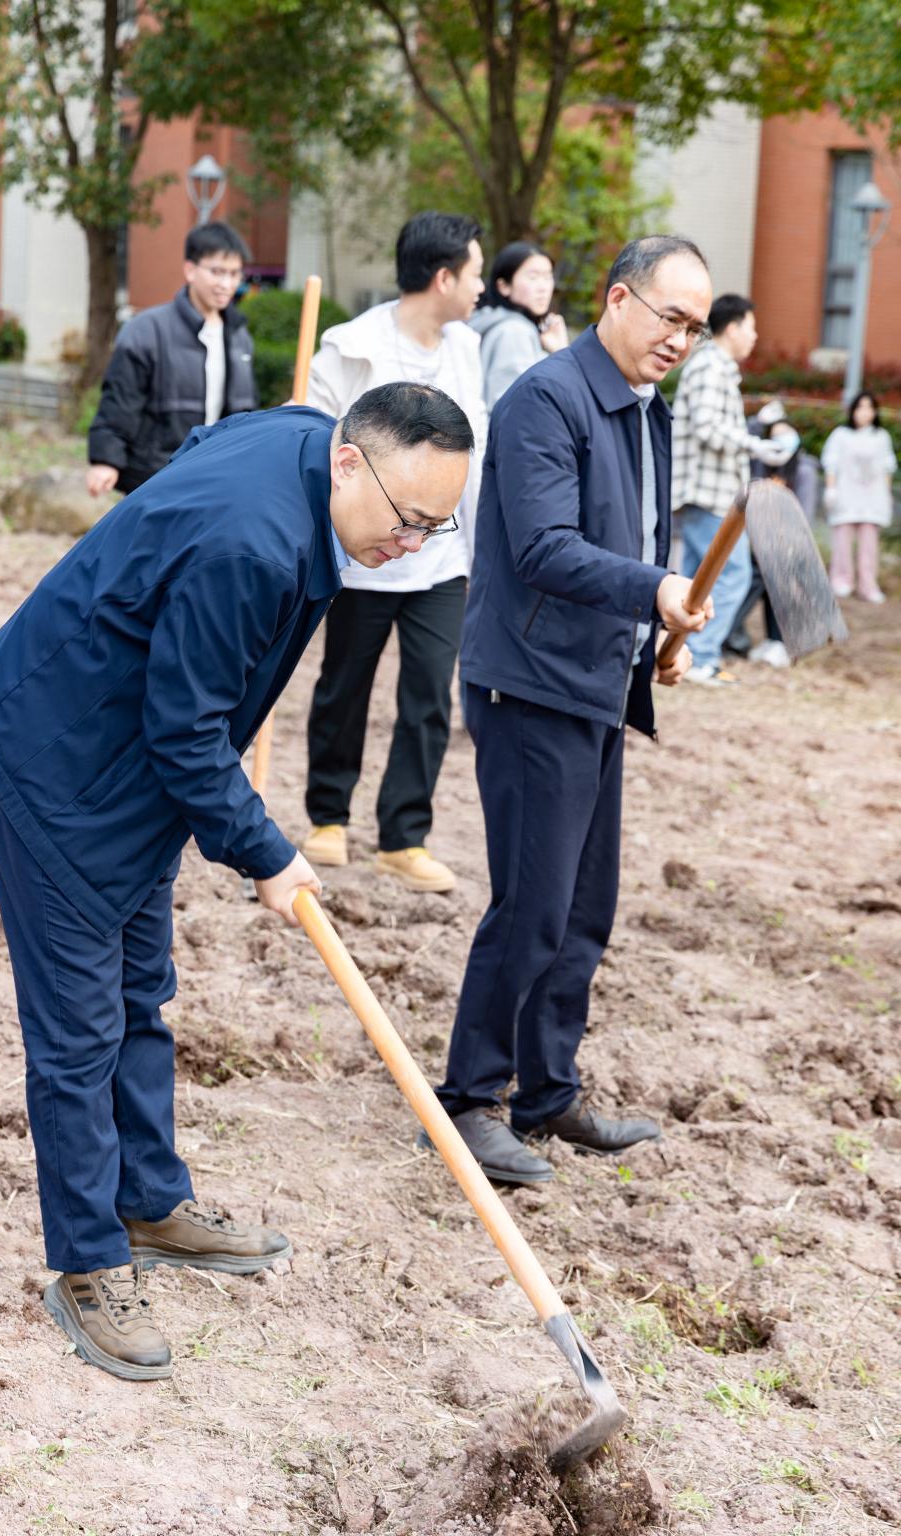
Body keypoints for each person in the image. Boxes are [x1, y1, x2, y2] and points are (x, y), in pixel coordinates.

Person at [0, 384, 474, 1380]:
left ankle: (148, 1202)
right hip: (57, 758)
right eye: (406, 519)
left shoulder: (301, 436)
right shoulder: (253, 550)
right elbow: (186, 736)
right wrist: (266, 852)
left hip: (130, 767)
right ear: (350, 462)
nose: (413, 544)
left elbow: (207, 442)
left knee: (139, 995)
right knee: (78, 1029)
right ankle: (88, 1261)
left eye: (436, 525)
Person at [424, 235, 715, 1187]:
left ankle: (547, 1092)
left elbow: (636, 542)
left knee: (585, 908)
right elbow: (544, 548)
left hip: (596, 683)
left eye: (696, 328)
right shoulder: (546, 399)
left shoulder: (646, 410)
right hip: (530, 682)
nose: (680, 340)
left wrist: (655, 630)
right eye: (670, 317)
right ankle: (469, 1099)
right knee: (533, 905)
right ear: (619, 300)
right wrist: (656, 591)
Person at [301, 211, 488, 894]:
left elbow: (476, 460)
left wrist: (478, 551)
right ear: (443, 278)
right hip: (364, 557)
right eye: (475, 273)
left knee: (429, 695)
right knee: (344, 686)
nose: (482, 287)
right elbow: (316, 442)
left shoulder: (466, 349)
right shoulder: (351, 348)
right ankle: (328, 817)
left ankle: (403, 837)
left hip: (440, 559)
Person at [671, 293, 796, 686]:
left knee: (695, 583)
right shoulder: (711, 366)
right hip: (708, 494)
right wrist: (759, 445)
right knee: (733, 575)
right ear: (733, 327)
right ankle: (701, 656)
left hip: (706, 492)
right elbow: (709, 428)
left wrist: (755, 430)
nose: (755, 336)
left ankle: (678, 654)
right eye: (751, 327)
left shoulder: (714, 366)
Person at [86, 221, 258, 498]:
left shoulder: (239, 337)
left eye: (234, 273)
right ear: (190, 270)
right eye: (217, 272)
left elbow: (244, 411)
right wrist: (106, 459)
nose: (226, 284)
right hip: (155, 478)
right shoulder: (146, 330)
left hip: (215, 478)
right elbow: (119, 403)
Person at [725, 405, 805, 668]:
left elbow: (802, 505)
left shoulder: (799, 467)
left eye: (785, 430)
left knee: (775, 580)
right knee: (760, 579)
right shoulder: (760, 461)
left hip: (785, 533)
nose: (782, 437)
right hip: (759, 530)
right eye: (776, 432)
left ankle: (775, 641)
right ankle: (756, 639)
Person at [468, 241, 568, 412]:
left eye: (548, 277)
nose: (543, 287)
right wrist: (563, 354)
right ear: (504, 286)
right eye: (533, 277)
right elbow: (516, 407)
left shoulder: (496, 321)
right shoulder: (515, 331)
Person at [821, 392, 897, 603]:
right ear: (852, 411)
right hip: (846, 494)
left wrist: (886, 493)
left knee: (869, 544)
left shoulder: (881, 436)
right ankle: (841, 580)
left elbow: (887, 467)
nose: (865, 412)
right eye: (860, 407)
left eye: (869, 408)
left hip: (872, 497)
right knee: (842, 541)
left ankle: (868, 585)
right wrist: (831, 488)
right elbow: (831, 463)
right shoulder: (841, 435)